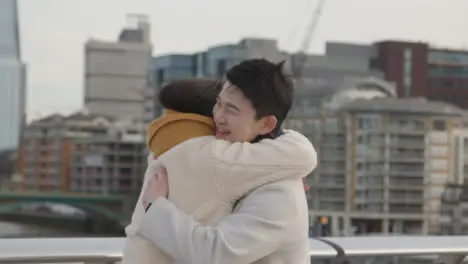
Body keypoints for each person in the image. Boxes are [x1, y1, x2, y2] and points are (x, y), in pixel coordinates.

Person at [123, 59, 317, 264]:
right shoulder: (248, 163)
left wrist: (154, 209)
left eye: (231, 110)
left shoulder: (279, 193)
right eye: (218, 103)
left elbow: (216, 253)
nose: (218, 116)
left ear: (266, 123)